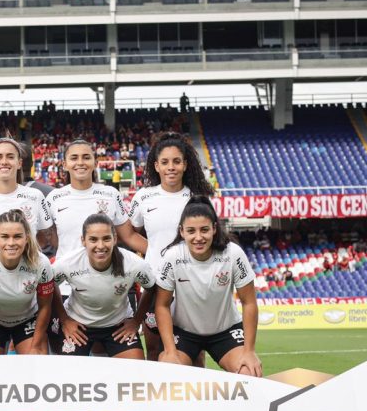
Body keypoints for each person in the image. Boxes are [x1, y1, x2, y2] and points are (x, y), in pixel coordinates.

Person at [128, 131, 215, 360]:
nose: (171, 167)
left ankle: (195, 396)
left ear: (186, 164)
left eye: (177, 161)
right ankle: (156, 396)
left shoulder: (197, 198)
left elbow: (208, 239)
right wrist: (157, 251)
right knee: (155, 349)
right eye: (165, 162)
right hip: (155, 285)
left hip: (192, 284)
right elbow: (128, 233)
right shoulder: (143, 197)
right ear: (156, 166)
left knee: (195, 352)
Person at [154, 197, 262, 376]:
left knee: (249, 372)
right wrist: (171, 352)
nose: (198, 237)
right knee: (169, 372)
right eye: (191, 231)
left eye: (204, 230)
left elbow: (249, 302)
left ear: (214, 228)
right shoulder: (173, 257)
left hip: (225, 331)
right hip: (184, 332)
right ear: (182, 232)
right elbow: (162, 305)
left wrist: (249, 351)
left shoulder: (233, 253)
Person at [51, 214, 156, 359]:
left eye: (106, 238)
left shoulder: (134, 264)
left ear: (115, 239)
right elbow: (48, 286)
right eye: (93, 239)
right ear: (83, 241)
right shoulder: (68, 263)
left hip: (118, 326)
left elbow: (151, 288)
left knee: (135, 369)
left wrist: (136, 321)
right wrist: (64, 319)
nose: (100, 246)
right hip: (79, 325)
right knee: (69, 374)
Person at [0, 209, 54, 355]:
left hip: (26, 319)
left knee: (36, 362)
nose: (11, 243)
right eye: (5, 237)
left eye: (17, 237)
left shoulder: (41, 263)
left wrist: (35, 346)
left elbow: (45, 307)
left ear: (26, 238)